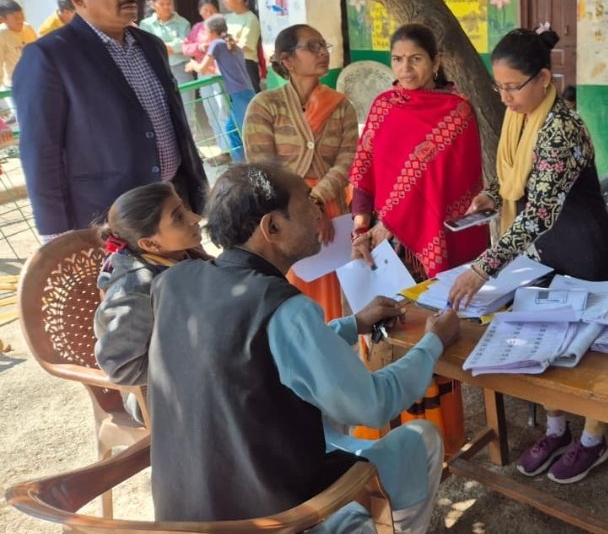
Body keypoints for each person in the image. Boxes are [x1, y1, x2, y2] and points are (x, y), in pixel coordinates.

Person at [148, 163, 459, 532]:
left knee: (328, 428)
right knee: (421, 440)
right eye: (308, 202)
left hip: (186, 517)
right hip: (278, 519)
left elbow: (262, 354)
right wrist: (433, 342)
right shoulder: (282, 307)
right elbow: (373, 404)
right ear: (272, 228)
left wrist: (353, 324)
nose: (319, 212)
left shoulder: (173, 283)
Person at [447, 26, 608, 485]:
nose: (505, 98)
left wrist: (482, 268)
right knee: (544, 342)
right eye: (499, 87)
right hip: (544, 253)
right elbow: (516, 177)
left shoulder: (561, 127)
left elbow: (539, 211)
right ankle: (557, 429)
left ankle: (594, 439)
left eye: (513, 87)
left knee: (589, 352)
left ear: (544, 79)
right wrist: (492, 195)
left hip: (583, 251)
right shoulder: (521, 117)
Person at [13, 0, 207, 239]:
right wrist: (57, 235)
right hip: (109, 218)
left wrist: (197, 193)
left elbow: (175, 123)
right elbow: (41, 153)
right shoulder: (50, 57)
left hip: (171, 205)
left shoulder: (151, 45)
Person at [349, 23, 487, 280]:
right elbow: (364, 170)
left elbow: (450, 184)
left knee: (434, 302)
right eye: (397, 59)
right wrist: (361, 229)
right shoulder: (383, 106)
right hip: (382, 240)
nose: (405, 68)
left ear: (436, 62)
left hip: (432, 234)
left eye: (416, 59)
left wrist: (391, 224)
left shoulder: (457, 113)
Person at [244, 25, 357, 322]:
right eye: (312, 47)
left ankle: (334, 339)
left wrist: (318, 203)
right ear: (287, 60)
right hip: (284, 213)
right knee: (293, 286)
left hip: (332, 207)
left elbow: (347, 161)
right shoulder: (264, 106)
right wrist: (304, 209)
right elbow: (262, 168)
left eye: (323, 46)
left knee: (336, 287)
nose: (322, 53)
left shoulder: (341, 106)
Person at [93, 182, 206, 422]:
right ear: (150, 244)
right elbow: (121, 368)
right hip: (158, 397)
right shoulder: (136, 291)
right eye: (179, 217)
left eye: (185, 209)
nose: (195, 218)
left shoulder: (179, 255)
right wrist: (196, 359)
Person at [188, 14, 255, 163]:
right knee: (231, 130)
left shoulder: (217, 44)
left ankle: (248, 166)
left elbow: (202, 69)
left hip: (239, 94)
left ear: (212, 32)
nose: (204, 35)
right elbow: (224, 70)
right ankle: (239, 164)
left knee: (244, 133)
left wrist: (193, 65)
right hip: (245, 91)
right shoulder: (233, 46)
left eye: (205, 32)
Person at [182, 0, 233, 164]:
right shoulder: (197, 28)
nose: (209, 14)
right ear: (199, 11)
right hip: (204, 76)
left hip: (219, 73)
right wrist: (199, 47)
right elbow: (186, 47)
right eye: (205, 10)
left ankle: (231, 149)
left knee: (223, 109)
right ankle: (223, 149)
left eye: (212, 10)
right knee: (211, 111)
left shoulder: (223, 27)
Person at [139, 0, 195, 130]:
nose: (166, 7)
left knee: (187, 109)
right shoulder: (145, 25)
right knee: (163, 111)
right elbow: (147, 47)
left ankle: (192, 142)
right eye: (162, 4)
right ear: (153, 5)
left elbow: (184, 45)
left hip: (182, 69)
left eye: (169, 3)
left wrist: (160, 45)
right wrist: (172, 46)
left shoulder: (183, 23)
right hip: (157, 71)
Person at [0, 0, 37, 124]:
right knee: (24, 120)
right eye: (15, 18)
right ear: (3, 19)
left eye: (21, 16)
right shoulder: (2, 35)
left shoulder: (28, 28)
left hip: (34, 80)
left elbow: (38, 52)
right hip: (14, 84)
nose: (20, 20)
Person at [221, 0, 262, 92]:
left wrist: (228, 42)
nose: (223, 1)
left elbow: (245, 46)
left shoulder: (251, 19)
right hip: (231, 64)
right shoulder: (228, 18)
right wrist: (232, 41)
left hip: (246, 65)